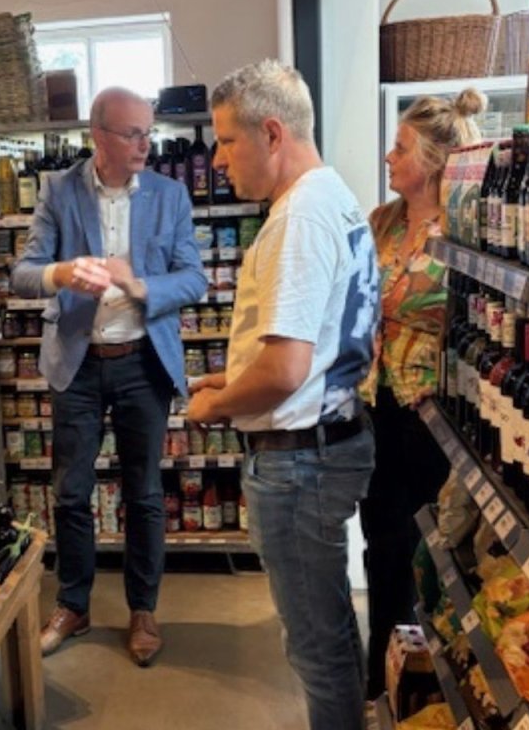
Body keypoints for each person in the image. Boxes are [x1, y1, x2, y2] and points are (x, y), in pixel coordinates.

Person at [187, 59, 379, 730]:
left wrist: (215, 405)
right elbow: (311, 346)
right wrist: (232, 377)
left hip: (300, 463)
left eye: (227, 140)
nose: (216, 158)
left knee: (316, 645)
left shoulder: (298, 219)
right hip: (327, 442)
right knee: (327, 628)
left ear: (272, 133)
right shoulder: (333, 196)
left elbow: (287, 370)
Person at [11, 87, 206, 667]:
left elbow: (194, 278)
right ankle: (73, 604)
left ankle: (143, 610)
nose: (146, 143)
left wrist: (141, 285)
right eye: (133, 133)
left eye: (148, 131)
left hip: (143, 363)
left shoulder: (171, 196)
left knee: (145, 495)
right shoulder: (58, 191)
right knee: (71, 494)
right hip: (78, 363)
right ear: (98, 136)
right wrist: (62, 274)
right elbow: (22, 273)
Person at [359, 88, 487, 698]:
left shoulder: (464, 230)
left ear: (435, 161)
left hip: (439, 416)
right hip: (380, 407)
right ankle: (381, 683)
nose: (388, 158)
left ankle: (437, 687)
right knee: (383, 545)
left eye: (400, 147)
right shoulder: (381, 222)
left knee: (436, 553)